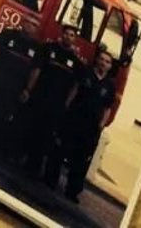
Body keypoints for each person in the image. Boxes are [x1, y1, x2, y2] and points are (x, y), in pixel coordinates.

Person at [51, 49, 117, 201]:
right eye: (102, 59)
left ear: (110, 66)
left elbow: (108, 108)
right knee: (61, 149)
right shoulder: (85, 73)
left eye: (107, 62)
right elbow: (74, 90)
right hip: (74, 119)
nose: (104, 63)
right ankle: (51, 180)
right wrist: (67, 108)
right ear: (97, 60)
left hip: (91, 127)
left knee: (81, 161)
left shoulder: (110, 86)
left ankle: (72, 191)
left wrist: (102, 124)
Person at [21, 25, 82, 181]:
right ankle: (19, 157)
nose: (69, 37)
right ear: (62, 34)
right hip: (39, 97)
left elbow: (75, 86)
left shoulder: (76, 62)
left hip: (56, 105)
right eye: (67, 34)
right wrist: (28, 89)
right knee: (29, 127)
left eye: (72, 35)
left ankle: (34, 166)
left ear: (75, 39)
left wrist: (66, 104)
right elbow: (37, 70)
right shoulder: (48, 48)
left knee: (45, 135)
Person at [0, 15, 42, 148]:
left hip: (16, 87)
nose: (30, 26)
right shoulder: (8, 34)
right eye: (28, 22)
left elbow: (35, 70)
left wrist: (28, 89)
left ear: (36, 30)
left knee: (4, 114)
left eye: (34, 25)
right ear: (22, 23)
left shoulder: (37, 48)